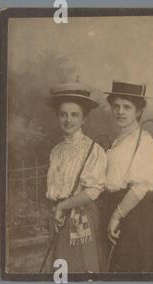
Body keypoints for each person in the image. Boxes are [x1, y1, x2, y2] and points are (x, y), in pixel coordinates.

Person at [100, 81, 153, 272]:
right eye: (116, 106)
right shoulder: (118, 142)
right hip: (116, 209)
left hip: (135, 215)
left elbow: (141, 187)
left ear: (138, 112)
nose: (120, 111)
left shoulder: (145, 142)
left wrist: (116, 216)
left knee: (132, 270)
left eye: (127, 107)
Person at [45, 82, 107, 273]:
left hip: (81, 220)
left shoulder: (92, 150)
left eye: (74, 115)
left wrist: (63, 207)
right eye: (63, 114)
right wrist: (57, 209)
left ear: (84, 119)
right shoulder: (56, 151)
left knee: (81, 270)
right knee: (60, 271)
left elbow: (92, 190)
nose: (68, 120)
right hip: (58, 217)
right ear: (57, 116)